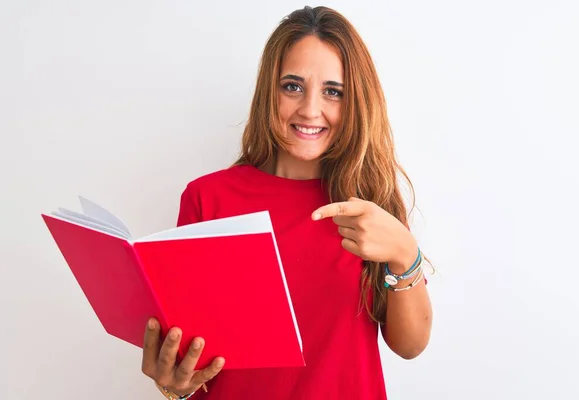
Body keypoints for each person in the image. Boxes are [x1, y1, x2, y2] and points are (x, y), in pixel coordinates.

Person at [141, 6, 433, 400]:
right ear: (269, 92)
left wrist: (404, 252)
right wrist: (172, 385)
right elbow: (189, 360)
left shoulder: (368, 204)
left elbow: (410, 346)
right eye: (292, 86)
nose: (310, 109)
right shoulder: (207, 199)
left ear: (355, 103)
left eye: (333, 91)